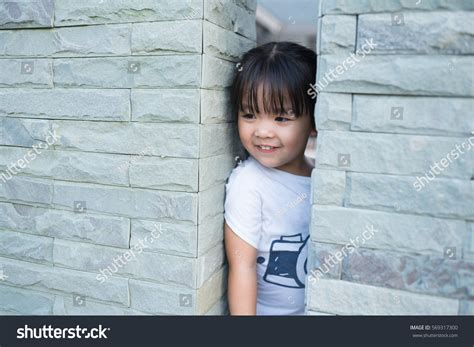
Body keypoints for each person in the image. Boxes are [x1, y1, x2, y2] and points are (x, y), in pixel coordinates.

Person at [224, 41, 317, 315]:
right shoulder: (249, 184)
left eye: (280, 118)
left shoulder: (323, 178)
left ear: (313, 121)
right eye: (249, 114)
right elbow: (243, 267)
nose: (263, 131)